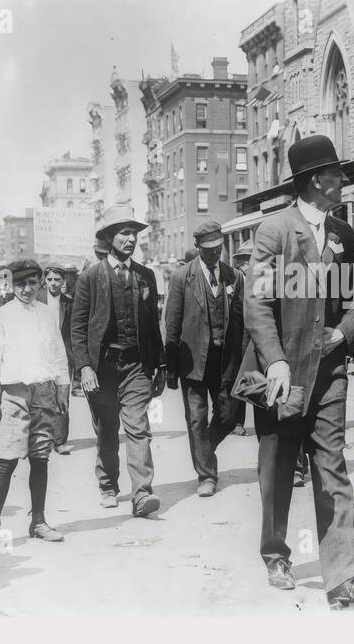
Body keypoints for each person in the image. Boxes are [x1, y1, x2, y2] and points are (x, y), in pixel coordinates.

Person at [239, 133, 354, 610]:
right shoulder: (275, 231)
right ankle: (276, 553)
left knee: (332, 466)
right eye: (337, 173)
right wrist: (275, 359)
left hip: (331, 370)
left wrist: (342, 332)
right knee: (277, 468)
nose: (343, 180)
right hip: (283, 373)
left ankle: (343, 576)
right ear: (317, 179)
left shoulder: (342, 234)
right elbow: (257, 302)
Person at [70, 205, 166, 518]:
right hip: (102, 368)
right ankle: (108, 485)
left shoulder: (145, 276)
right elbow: (78, 326)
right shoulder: (90, 277)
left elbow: (153, 326)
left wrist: (160, 366)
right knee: (107, 429)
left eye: (134, 233)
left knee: (139, 428)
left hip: (136, 366)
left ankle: (142, 495)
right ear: (109, 237)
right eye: (124, 233)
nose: (130, 239)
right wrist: (84, 367)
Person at [0, 259, 70, 549]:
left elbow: (57, 352)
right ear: (12, 284)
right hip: (14, 394)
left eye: (32, 283)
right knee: (7, 460)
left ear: (40, 282)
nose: (27, 289)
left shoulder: (46, 314)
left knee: (41, 458)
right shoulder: (2, 316)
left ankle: (38, 521)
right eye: (21, 283)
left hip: (43, 392)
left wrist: (62, 388)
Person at [165, 220, 244, 496]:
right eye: (208, 249)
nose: (214, 254)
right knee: (196, 419)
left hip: (226, 362)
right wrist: (170, 368)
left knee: (229, 415)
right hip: (193, 362)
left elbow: (242, 322)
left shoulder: (234, 277)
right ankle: (206, 476)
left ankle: (204, 450)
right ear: (198, 247)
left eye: (218, 248)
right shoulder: (181, 277)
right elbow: (172, 324)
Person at [40, 264, 75, 455]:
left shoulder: (69, 302)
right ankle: (42, 438)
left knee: (62, 397)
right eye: (50, 279)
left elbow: (74, 331)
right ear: (44, 281)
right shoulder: (36, 300)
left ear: (64, 281)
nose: (53, 283)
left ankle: (60, 440)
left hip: (62, 356)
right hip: (40, 355)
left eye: (57, 279)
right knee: (41, 397)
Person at [230, 241, 254, 436]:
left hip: (259, 334)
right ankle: (237, 421)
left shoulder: (265, 280)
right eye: (243, 261)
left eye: (250, 261)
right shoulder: (236, 281)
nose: (247, 265)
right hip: (240, 336)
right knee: (240, 376)